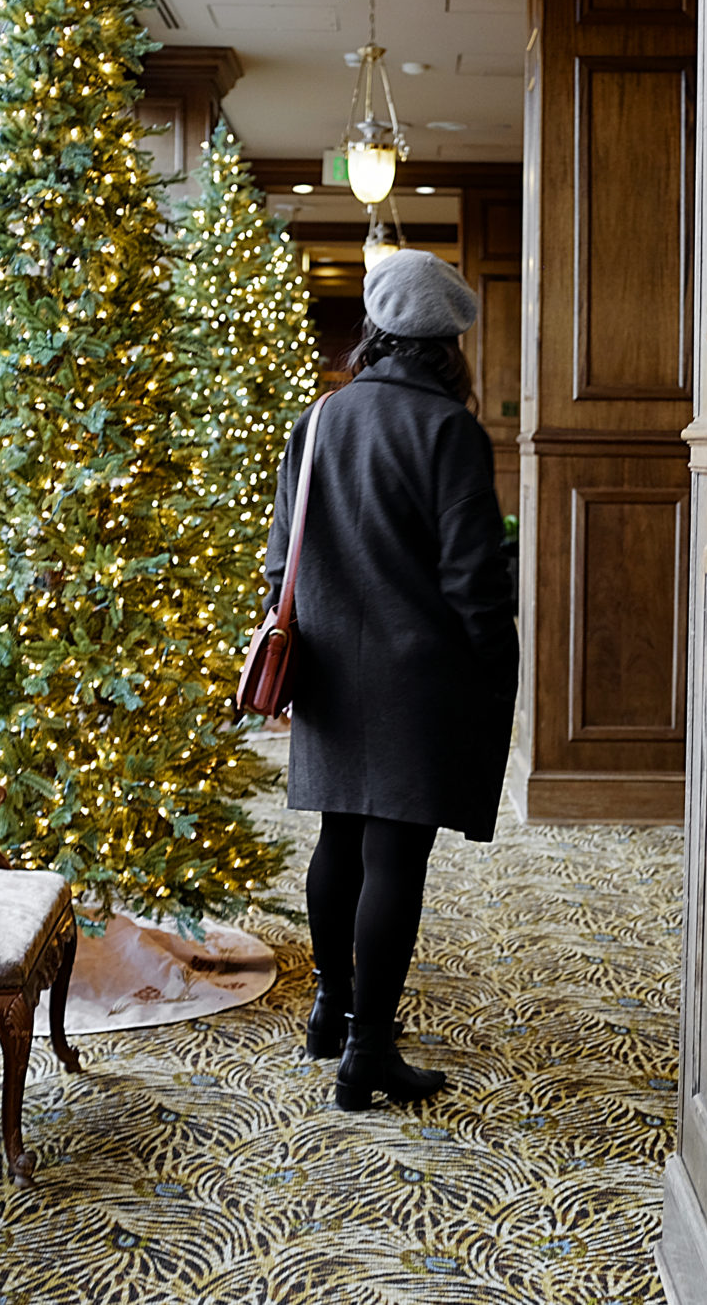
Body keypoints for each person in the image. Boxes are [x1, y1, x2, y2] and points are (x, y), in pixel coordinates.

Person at [262, 249, 519, 1112]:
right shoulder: (450, 430)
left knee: (339, 838)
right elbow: (473, 580)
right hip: (418, 677)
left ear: (376, 329)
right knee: (395, 857)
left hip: (331, 668)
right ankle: (369, 1052)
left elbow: (278, 563)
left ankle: (331, 1011)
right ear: (449, 341)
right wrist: (496, 667)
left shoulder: (323, 417)